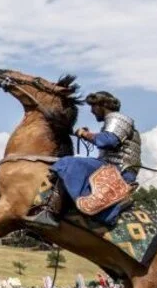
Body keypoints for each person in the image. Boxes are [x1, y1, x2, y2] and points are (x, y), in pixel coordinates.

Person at [26, 91, 142, 228]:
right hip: (113, 166)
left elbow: (108, 141)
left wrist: (85, 134)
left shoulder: (117, 118)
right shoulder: (114, 121)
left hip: (118, 169)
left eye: (93, 107)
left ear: (102, 105)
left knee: (67, 163)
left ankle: (50, 213)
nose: (92, 111)